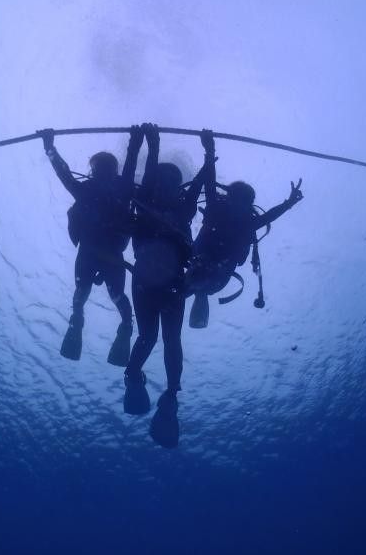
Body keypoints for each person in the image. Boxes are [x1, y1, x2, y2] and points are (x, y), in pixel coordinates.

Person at [39, 126, 143, 365]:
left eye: (105, 170)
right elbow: (63, 172)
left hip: (99, 253)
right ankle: (118, 324)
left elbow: (63, 173)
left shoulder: (96, 189)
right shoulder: (114, 188)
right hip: (104, 254)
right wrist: (49, 148)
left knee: (90, 293)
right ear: (94, 172)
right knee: (106, 294)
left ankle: (96, 322)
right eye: (99, 170)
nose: (103, 174)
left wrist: (50, 148)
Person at [123, 123, 208, 415]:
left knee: (159, 338)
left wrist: (209, 153)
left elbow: (198, 182)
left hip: (158, 281)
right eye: (163, 180)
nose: (166, 185)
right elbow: (152, 176)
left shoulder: (178, 206)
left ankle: (156, 385)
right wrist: (152, 142)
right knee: (160, 337)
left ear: (176, 187)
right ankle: (155, 385)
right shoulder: (150, 200)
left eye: (172, 181)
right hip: (161, 283)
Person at [185, 129, 303, 328]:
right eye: (238, 200)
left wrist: (210, 151)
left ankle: (194, 293)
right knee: (194, 286)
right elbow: (268, 215)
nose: (238, 206)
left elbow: (211, 185)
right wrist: (210, 151)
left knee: (193, 286)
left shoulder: (237, 218)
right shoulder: (231, 216)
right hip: (210, 272)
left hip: (213, 273)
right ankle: (195, 294)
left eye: (243, 202)